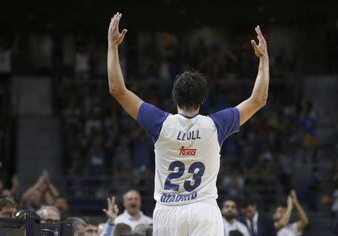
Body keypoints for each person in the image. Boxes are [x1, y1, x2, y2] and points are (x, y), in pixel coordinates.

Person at [107, 11, 269, 236]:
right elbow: (258, 99)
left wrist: (112, 46)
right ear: (203, 99)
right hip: (203, 211)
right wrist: (263, 59)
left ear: (174, 97)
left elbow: (117, 90)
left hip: (167, 211)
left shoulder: (159, 123)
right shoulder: (216, 125)